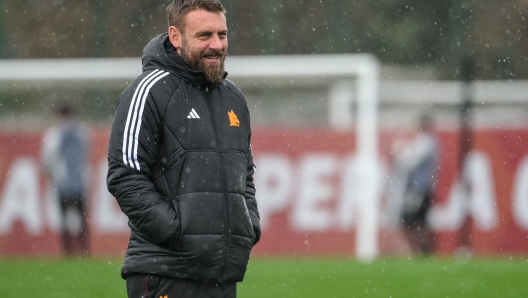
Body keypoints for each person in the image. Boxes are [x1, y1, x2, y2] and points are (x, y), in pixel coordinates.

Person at [106, 1, 261, 297]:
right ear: (175, 36)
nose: (217, 45)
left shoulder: (233, 98)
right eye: (204, 35)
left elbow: (246, 176)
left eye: (222, 34)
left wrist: (248, 226)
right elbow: (124, 175)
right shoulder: (147, 91)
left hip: (222, 275)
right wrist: (176, 233)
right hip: (165, 273)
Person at [41, 103, 90, 256]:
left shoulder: (54, 134)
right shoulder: (82, 131)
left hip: (63, 182)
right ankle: (83, 249)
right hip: (77, 181)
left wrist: (50, 173)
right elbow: (85, 154)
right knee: (80, 217)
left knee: (66, 217)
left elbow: (47, 158)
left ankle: (69, 250)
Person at [392, 114, 440, 254]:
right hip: (421, 188)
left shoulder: (426, 142)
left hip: (418, 189)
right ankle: (421, 250)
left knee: (412, 221)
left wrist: (399, 151)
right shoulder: (429, 142)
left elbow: (411, 161)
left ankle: (419, 250)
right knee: (418, 221)